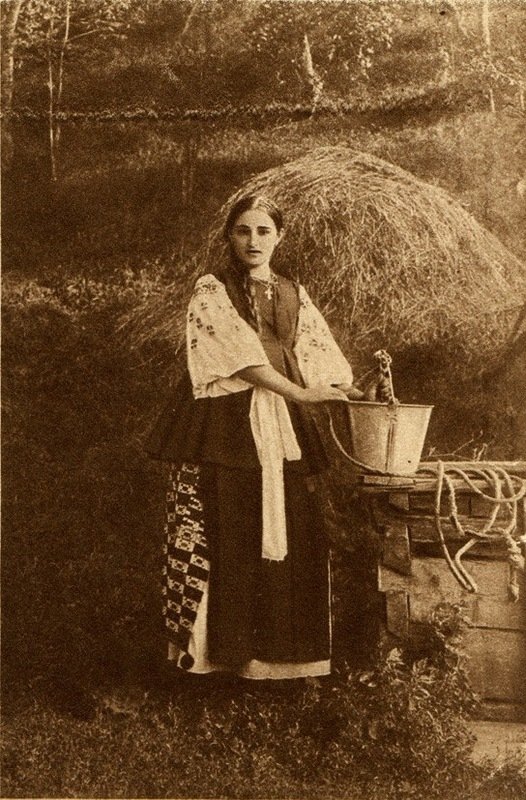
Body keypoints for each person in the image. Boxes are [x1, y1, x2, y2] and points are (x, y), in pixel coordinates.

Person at [146, 194, 376, 680]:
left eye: (264, 231)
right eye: (243, 231)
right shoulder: (212, 289)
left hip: (283, 426)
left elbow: (314, 354)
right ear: (230, 237)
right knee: (228, 532)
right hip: (226, 428)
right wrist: (301, 393)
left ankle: (278, 665)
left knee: (295, 530)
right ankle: (219, 662)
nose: (254, 241)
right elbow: (240, 359)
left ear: (279, 237)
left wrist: (353, 391)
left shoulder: (293, 292)